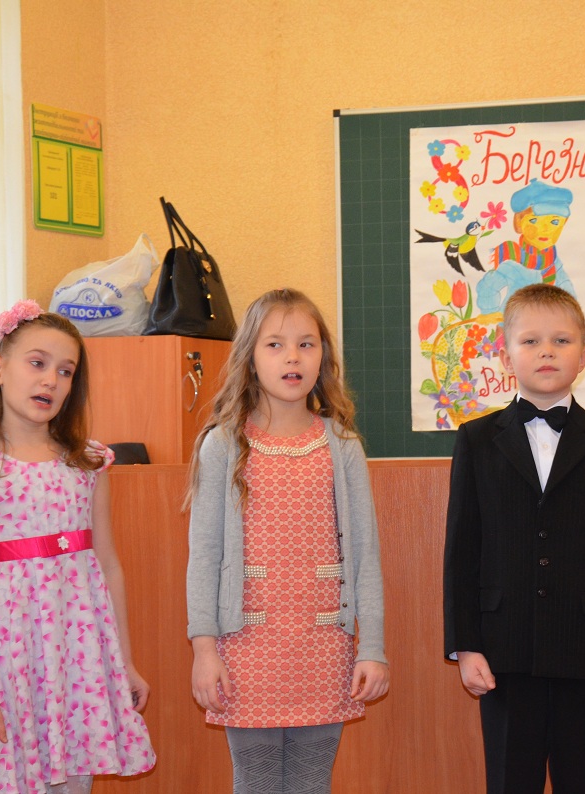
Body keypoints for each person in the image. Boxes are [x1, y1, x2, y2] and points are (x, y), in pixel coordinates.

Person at [0, 299, 155, 793]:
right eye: (37, 363)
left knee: (74, 777)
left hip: (78, 657)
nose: (51, 381)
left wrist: (124, 662)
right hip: (10, 661)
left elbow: (109, 566)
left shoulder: (88, 463)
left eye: (65, 371)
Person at [443, 283, 585, 794]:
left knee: (584, 780)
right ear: (505, 356)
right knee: (510, 780)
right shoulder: (475, 440)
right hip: (503, 652)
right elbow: (461, 552)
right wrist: (465, 645)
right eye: (530, 341)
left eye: (561, 340)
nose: (546, 352)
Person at [186, 288, 389, 793]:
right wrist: (204, 650)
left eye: (306, 344)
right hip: (244, 653)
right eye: (275, 344)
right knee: (255, 781)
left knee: (311, 782)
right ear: (250, 357)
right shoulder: (222, 444)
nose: (293, 357)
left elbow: (364, 555)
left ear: (324, 357)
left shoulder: (342, 446)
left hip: (324, 651)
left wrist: (373, 647)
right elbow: (204, 557)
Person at [475, 180, 578, 314]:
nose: (545, 229)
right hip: (514, 322)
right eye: (533, 220)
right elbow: (488, 287)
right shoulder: (512, 259)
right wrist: (489, 312)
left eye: (554, 222)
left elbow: (565, 287)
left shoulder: (553, 260)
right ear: (519, 223)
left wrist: (571, 312)